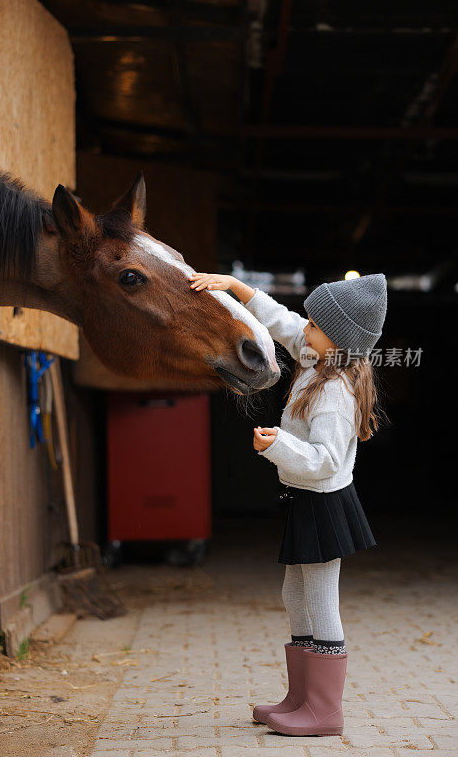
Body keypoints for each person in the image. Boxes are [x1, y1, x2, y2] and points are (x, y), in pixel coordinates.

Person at [189, 270, 388, 737]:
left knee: (320, 600)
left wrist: (277, 445)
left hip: (323, 503)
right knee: (293, 595)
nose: (306, 328)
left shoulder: (336, 392)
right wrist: (235, 287)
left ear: (338, 343)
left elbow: (324, 461)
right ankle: (299, 697)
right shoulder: (318, 356)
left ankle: (324, 711)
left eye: (316, 325)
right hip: (304, 499)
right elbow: (282, 321)